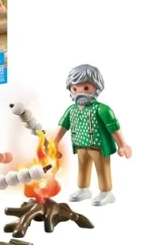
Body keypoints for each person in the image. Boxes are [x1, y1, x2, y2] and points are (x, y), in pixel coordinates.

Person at [53, 64, 132, 206]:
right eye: (75, 88)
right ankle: (83, 189)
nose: (79, 92)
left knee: (102, 169)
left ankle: (106, 192)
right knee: (82, 168)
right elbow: (63, 126)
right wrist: (54, 141)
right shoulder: (71, 110)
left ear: (97, 87)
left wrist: (122, 145)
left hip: (99, 147)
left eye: (85, 88)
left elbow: (113, 128)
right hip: (80, 146)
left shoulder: (102, 109)